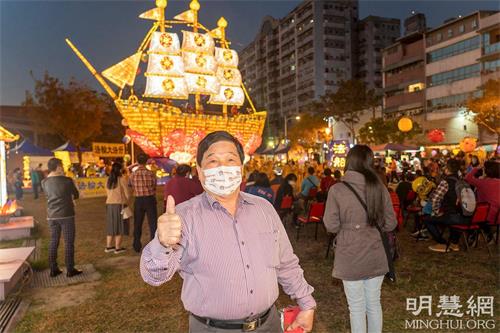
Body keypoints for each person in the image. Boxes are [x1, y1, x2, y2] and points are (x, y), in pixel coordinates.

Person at [140, 131, 316, 333]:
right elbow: (154, 276)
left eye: (230, 159)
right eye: (213, 161)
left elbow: (286, 263)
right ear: (199, 170)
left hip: (269, 325)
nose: (223, 167)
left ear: (241, 168)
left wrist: (306, 303)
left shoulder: (264, 209)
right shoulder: (184, 216)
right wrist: (162, 245)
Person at [323, 145, 397, 333]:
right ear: (369, 162)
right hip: (376, 251)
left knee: (356, 307)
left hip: (350, 252)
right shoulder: (379, 187)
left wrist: (349, 228)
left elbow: (330, 225)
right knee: (374, 302)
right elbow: (390, 223)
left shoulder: (337, 190)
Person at [41, 158, 82, 277]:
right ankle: (70, 269)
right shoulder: (67, 180)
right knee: (69, 242)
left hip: (51, 216)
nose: (63, 168)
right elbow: (76, 195)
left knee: (54, 241)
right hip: (66, 214)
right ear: (58, 167)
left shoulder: (44, 182)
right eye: (62, 165)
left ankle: (53, 269)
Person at [424, 159, 468, 253]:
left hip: (452, 216)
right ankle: (454, 243)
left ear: (447, 169)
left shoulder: (445, 182)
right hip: (465, 215)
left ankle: (442, 243)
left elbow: (435, 199)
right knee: (454, 216)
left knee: (427, 219)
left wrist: (435, 212)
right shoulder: (462, 181)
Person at [129, 153, 158, 253]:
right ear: (146, 161)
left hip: (138, 200)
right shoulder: (151, 173)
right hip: (149, 199)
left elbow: (131, 186)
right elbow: (154, 186)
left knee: (137, 223)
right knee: (153, 223)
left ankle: (136, 245)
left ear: (137, 161)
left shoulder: (133, 174)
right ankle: (155, 245)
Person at [465, 160, 500, 239]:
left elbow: (467, 178)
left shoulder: (483, 182)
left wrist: (476, 168)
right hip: (497, 216)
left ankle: (475, 236)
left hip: (486, 216)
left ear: (487, 171)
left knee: (467, 215)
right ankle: (487, 234)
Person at [105, 162, 131, 254]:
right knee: (120, 225)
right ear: (120, 170)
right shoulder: (121, 179)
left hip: (109, 205)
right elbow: (127, 194)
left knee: (111, 225)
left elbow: (107, 193)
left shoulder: (108, 180)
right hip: (119, 205)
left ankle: (108, 246)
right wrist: (127, 201)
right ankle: (117, 247)